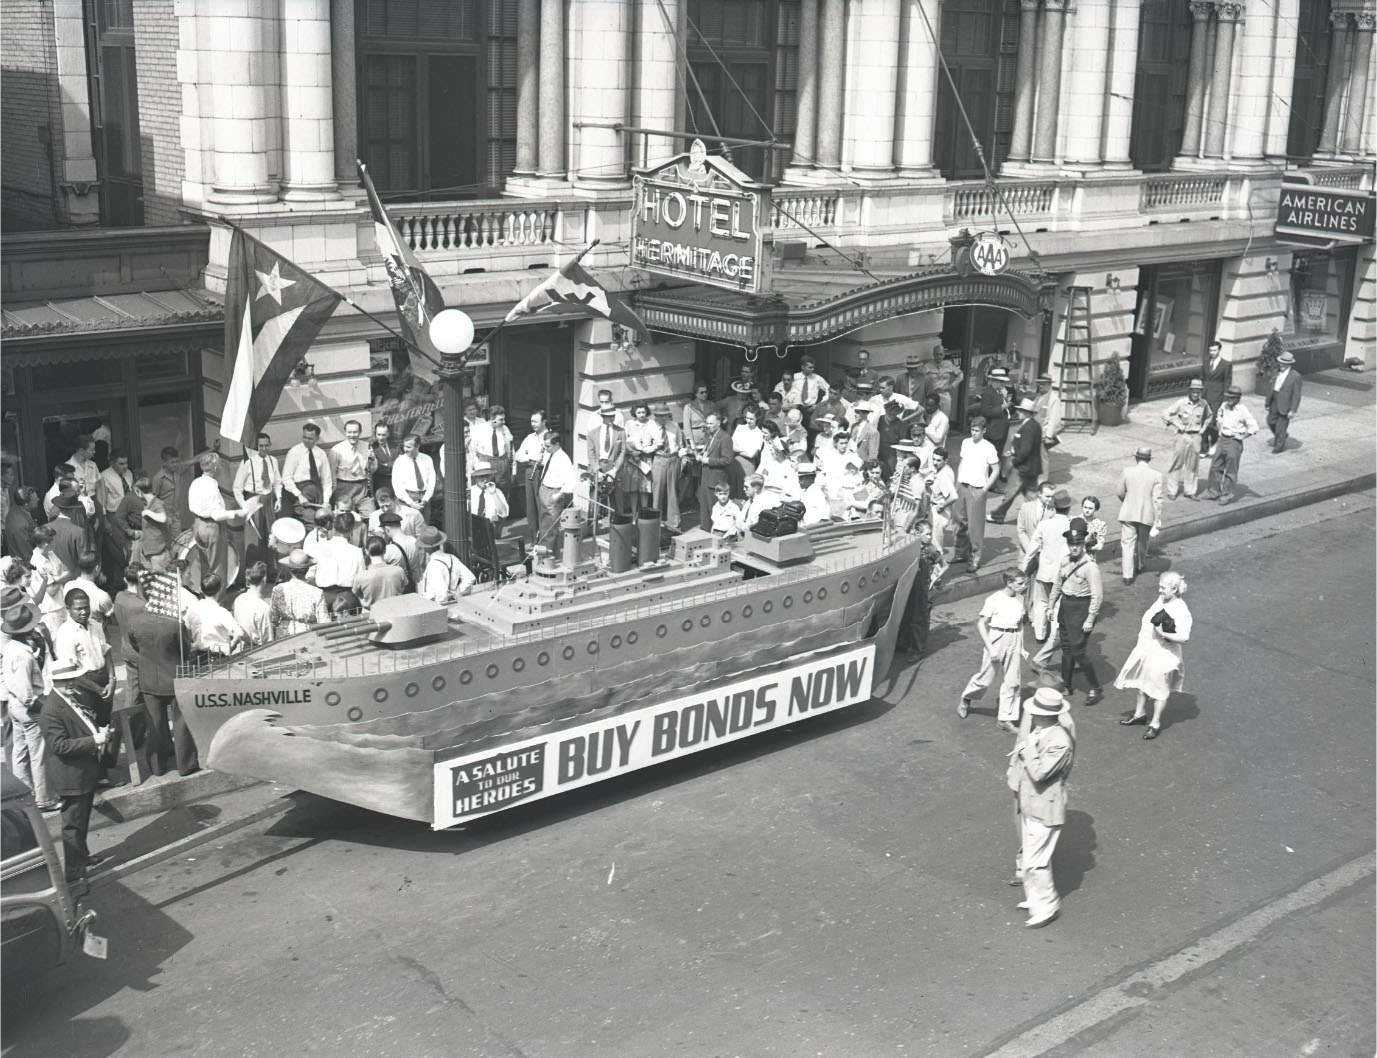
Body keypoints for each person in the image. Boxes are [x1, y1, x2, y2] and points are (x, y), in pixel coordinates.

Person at [1006, 685, 1075, 928]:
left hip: (1045, 807)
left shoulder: (1060, 742)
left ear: (1045, 714)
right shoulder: (1042, 731)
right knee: (1030, 858)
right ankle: (1035, 899)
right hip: (1032, 803)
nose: (1031, 716)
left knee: (1037, 861)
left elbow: (1040, 773)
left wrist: (1027, 750)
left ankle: (1047, 905)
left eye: (1034, 712)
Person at [40, 657, 112, 883]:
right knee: (73, 825)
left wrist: (96, 730)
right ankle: (73, 872)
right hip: (71, 776)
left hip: (82, 772)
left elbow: (80, 722)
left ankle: (82, 858)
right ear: (54, 682)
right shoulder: (51, 710)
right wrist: (95, 739)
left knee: (81, 821)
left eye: (73, 679)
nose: (71, 684)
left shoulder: (70, 698)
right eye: (66, 681)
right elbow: (59, 746)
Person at [1116, 571, 1193, 740]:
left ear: (1174, 589)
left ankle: (1155, 723)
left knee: (1159, 689)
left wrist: (1164, 635)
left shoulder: (1181, 609)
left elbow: (1184, 637)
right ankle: (1139, 714)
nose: (1160, 590)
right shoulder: (1162, 600)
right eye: (1159, 586)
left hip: (1165, 654)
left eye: (1163, 588)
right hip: (1148, 648)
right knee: (1142, 683)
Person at [127, 600, 196, 776]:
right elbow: (185, 649)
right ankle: (185, 764)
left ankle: (157, 766)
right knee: (181, 724)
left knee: (155, 725)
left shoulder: (135, 622)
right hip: (174, 677)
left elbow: (134, 645)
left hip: (149, 680)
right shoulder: (174, 624)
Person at [959, 570, 1029, 732]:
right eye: (1020, 583)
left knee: (1013, 682)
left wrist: (1021, 646)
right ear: (1009, 583)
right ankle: (966, 698)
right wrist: (991, 648)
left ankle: (1005, 719)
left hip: (1014, 639)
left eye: (1024, 583)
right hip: (996, 639)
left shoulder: (1020, 599)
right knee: (985, 679)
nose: (1023, 586)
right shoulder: (994, 600)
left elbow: (1020, 624)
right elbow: (981, 624)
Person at [3, 601, 56, 810]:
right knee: (38, 754)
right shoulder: (24, 655)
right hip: (28, 707)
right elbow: (27, 692)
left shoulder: (10, 648)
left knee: (20, 752)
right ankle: (44, 798)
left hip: (14, 705)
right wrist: (40, 708)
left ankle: (23, 794)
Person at [1046, 525, 1103, 703]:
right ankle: (1067, 685)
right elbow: (1057, 584)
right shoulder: (1065, 561)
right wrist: (1050, 605)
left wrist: (1090, 618)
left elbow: (1097, 595)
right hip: (1066, 606)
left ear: (1083, 544)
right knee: (1066, 649)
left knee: (1078, 652)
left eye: (1077, 544)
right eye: (1071, 544)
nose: (1074, 547)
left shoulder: (1090, 567)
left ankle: (1095, 687)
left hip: (1081, 608)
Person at [952, 416, 1001, 574]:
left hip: (977, 488)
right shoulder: (965, 443)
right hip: (962, 485)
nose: (974, 433)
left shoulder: (989, 447)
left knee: (975, 527)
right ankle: (960, 553)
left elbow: (996, 470)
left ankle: (975, 558)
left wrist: (985, 489)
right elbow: (962, 462)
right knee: (959, 521)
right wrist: (957, 481)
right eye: (972, 430)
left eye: (977, 431)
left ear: (984, 431)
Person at [990, 399, 1042, 523]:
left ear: (1027, 413)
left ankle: (998, 515)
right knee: (1031, 496)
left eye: (1021, 410)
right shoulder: (1034, 425)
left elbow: (1026, 449)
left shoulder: (1028, 427)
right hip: (1032, 467)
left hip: (1022, 468)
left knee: (1010, 493)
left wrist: (1014, 460)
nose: (1018, 412)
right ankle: (1039, 518)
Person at [1117, 446, 1164, 585]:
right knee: (1143, 541)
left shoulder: (1127, 471)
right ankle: (1140, 564)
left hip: (1128, 513)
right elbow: (1157, 500)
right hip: (1146, 513)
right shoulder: (1156, 475)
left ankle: (1127, 575)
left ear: (1136, 457)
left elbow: (1120, 492)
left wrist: (1127, 501)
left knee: (1127, 544)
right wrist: (1157, 518)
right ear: (1149, 459)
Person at [1161, 380, 1209, 499]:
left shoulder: (1204, 404)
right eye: (1193, 392)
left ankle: (1190, 491)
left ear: (1201, 392)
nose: (1196, 395)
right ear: (1189, 391)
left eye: (1198, 392)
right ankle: (1172, 491)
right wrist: (1176, 424)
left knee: (1192, 464)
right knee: (1177, 463)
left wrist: (1202, 430)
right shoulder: (1181, 403)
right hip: (1182, 435)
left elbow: (1209, 417)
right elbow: (1165, 413)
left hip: (1196, 436)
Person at [311, 513, 366, 610]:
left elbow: (311, 572)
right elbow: (361, 578)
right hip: (348, 597)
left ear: (334, 527)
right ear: (352, 529)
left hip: (326, 597)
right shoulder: (356, 552)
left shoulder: (320, 547)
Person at [270, 549, 328, 638]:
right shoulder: (317, 592)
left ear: (289, 569)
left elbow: (274, 618)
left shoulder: (278, 589)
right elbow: (324, 621)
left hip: (283, 635)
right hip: (308, 634)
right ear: (307, 569)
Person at [533, 432, 576, 548]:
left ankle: (547, 555)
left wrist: (560, 493)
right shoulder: (550, 454)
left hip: (553, 492)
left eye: (548, 446)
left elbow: (571, 479)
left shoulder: (563, 458)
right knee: (543, 524)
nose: (546, 449)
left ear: (556, 444)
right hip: (544, 489)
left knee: (550, 526)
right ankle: (547, 552)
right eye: (544, 446)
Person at [281, 422, 334, 518]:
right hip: (299, 493)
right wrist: (299, 495)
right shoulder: (294, 452)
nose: (306, 441)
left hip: (317, 492)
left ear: (317, 438)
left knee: (324, 519)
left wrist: (326, 501)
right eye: (304, 437)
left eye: (310, 438)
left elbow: (327, 481)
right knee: (311, 519)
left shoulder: (321, 454)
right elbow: (286, 478)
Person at [513, 410, 550, 545]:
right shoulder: (530, 437)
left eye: (535, 421)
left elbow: (552, 457)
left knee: (543, 506)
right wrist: (531, 458)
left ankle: (545, 540)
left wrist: (540, 460)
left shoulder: (550, 437)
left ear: (544, 421)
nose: (532, 424)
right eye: (531, 421)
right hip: (530, 470)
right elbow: (518, 455)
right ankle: (535, 540)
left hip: (544, 472)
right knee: (531, 507)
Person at [587, 404, 628, 517]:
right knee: (594, 501)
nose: (611, 418)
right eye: (608, 416)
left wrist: (614, 470)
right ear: (603, 417)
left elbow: (622, 452)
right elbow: (591, 453)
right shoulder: (592, 433)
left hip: (613, 467)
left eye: (613, 416)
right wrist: (596, 470)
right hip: (598, 467)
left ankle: (618, 528)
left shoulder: (620, 432)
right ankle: (593, 527)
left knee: (617, 501)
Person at [417, 526, 476, 604]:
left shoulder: (433, 565)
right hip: (453, 601)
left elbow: (441, 594)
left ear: (426, 548)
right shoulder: (452, 558)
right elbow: (470, 578)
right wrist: (458, 592)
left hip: (435, 606)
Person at [649, 403, 684, 532]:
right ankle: (654, 522)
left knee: (673, 491)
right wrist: (654, 447)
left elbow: (680, 443)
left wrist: (681, 456)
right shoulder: (650, 426)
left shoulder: (674, 426)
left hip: (673, 459)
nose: (664, 418)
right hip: (659, 459)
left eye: (666, 415)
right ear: (656, 416)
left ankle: (674, 522)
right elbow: (645, 446)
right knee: (657, 492)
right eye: (661, 416)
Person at [622, 403, 661, 516]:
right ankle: (634, 513)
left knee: (645, 488)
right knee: (633, 488)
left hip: (645, 458)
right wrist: (631, 451)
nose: (641, 415)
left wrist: (648, 449)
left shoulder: (651, 423)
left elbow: (658, 442)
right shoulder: (629, 424)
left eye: (643, 412)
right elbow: (624, 440)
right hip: (632, 459)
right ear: (634, 413)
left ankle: (644, 513)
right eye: (639, 412)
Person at [695, 413, 733, 524]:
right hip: (706, 477)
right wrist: (702, 455)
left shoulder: (725, 438)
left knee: (714, 509)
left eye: (711, 423)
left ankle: (716, 534)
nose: (708, 425)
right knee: (705, 508)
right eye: (707, 423)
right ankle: (705, 531)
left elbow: (727, 460)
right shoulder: (710, 435)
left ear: (719, 423)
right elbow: (709, 451)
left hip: (716, 479)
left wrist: (708, 461)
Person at [391, 433, 436, 523]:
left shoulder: (427, 459)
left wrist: (425, 499)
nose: (405, 450)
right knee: (407, 528)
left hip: (424, 498)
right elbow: (397, 485)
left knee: (424, 530)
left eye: (408, 447)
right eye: (404, 446)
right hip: (406, 499)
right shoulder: (400, 462)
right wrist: (411, 503)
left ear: (417, 446)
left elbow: (432, 481)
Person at [1265, 350, 1302, 454]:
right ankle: (1281, 435)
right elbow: (1271, 387)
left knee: (1281, 425)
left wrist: (1293, 410)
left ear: (1289, 364)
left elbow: (1296, 395)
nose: (1281, 365)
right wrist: (1268, 402)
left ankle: (1279, 446)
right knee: (1270, 421)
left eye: (1284, 364)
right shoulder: (1275, 372)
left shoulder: (1295, 376)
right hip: (1274, 400)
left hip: (1285, 404)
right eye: (1280, 362)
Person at [1199, 340, 1232, 455]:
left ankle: (1213, 444)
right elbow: (1202, 378)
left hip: (1217, 397)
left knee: (1213, 422)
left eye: (1214, 350)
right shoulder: (1206, 362)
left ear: (1219, 350)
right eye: (1210, 350)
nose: (1212, 352)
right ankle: (1203, 448)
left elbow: (1227, 382)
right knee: (1203, 421)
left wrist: (1225, 399)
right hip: (1205, 396)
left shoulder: (1226, 365)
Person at [329, 420, 370, 509]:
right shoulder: (336, 450)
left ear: (360, 432)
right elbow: (332, 472)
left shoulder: (367, 446)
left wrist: (373, 460)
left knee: (368, 514)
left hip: (362, 486)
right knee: (345, 515)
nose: (352, 435)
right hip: (343, 487)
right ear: (345, 433)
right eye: (349, 432)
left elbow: (372, 469)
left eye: (355, 432)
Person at [233, 561, 274, 646]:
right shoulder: (263, 608)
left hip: (242, 647)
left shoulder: (238, 599)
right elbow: (268, 641)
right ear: (264, 579)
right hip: (258, 650)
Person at [4, 486, 40, 562]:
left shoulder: (17, 509)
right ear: (26, 504)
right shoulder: (20, 525)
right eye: (35, 499)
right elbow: (27, 554)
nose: (38, 499)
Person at [368, 422, 399, 496]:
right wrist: (393, 463)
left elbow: (400, 463)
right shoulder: (372, 447)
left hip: (397, 481)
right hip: (381, 483)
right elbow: (377, 468)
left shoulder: (395, 445)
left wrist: (385, 464)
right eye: (378, 434)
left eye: (383, 435)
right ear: (375, 434)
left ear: (388, 434)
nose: (381, 438)